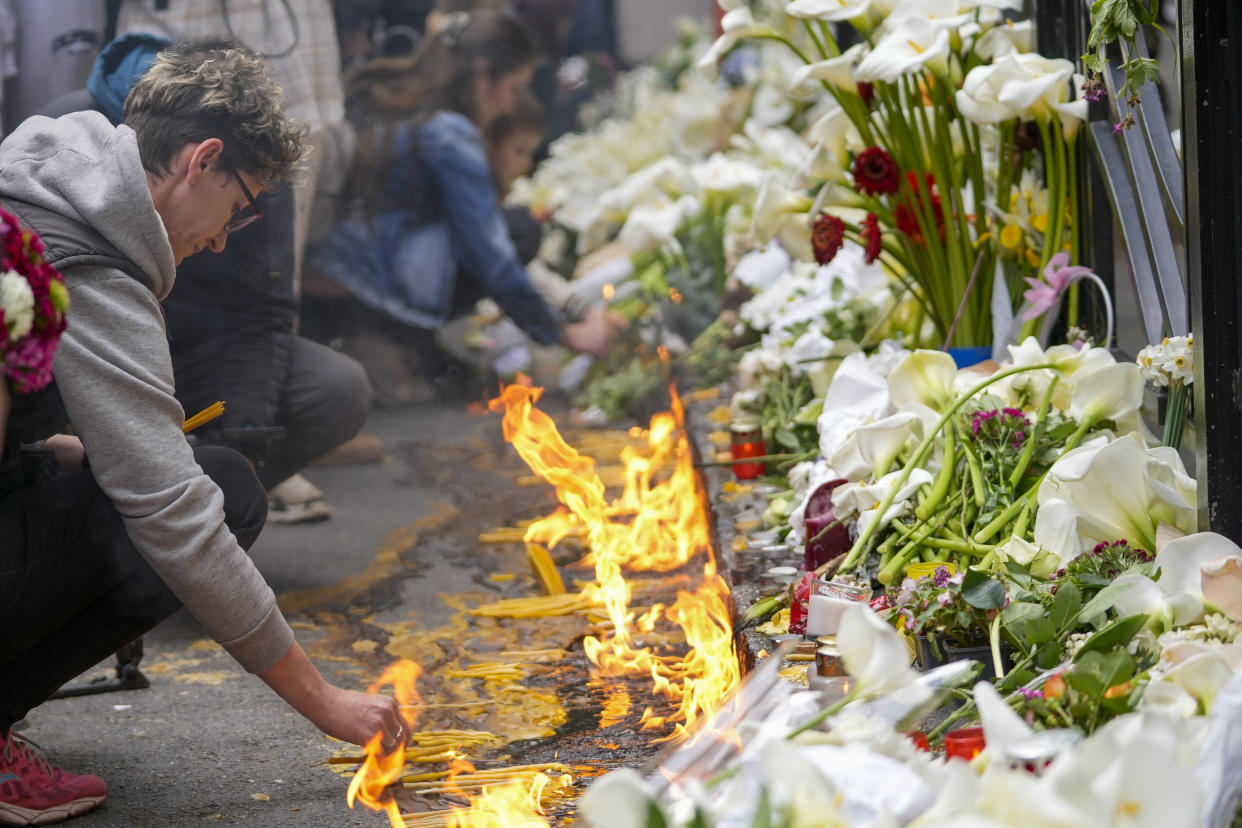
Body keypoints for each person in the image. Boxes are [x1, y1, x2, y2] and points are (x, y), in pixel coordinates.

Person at [0, 41, 404, 825]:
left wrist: (43, 448)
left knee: (141, 475)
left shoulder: (43, 172)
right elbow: (176, 516)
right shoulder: (94, 264)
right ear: (202, 160)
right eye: (242, 204)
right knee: (216, 495)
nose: (227, 235)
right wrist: (324, 701)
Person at [307, 9, 617, 381]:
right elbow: (491, 256)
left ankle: (403, 352)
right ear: (484, 75)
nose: (508, 106)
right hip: (368, 292)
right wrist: (564, 333)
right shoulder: (450, 133)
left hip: (329, 272)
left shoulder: (399, 100)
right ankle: (392, 351)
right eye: (515, 88)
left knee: (511, 227)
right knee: (518, 231)